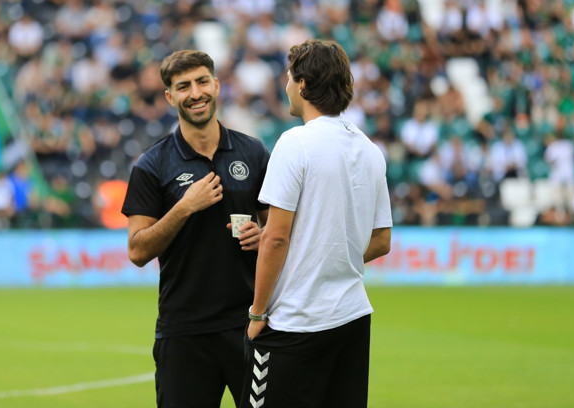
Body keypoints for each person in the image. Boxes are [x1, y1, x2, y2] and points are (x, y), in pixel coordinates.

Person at [241, 40, 393, 408]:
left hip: (297, 322)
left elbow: (276, 238)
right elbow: (382, 240)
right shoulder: (369, 149)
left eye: (289, 78)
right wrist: (327, 255)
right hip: (352, 317)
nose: (286, 86)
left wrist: (257, 313)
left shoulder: (295, 143)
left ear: (304, 84)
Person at [121, 50, 270, 408]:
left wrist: (263, 236)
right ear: (170, 97)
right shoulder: (152, 164)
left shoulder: (253, 153)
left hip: (249, 325)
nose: (196, 93)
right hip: (183, 330)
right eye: (183, 86)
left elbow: (279, 228)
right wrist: (184, 206)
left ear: (216, 85)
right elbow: (138, 250)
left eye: (202, 81)